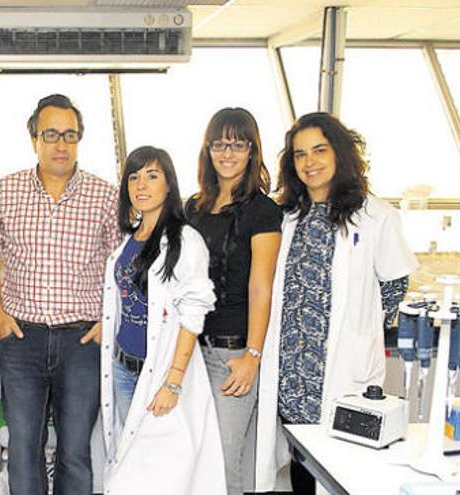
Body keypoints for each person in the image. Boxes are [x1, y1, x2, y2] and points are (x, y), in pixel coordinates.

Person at [254, 112, 418, 493]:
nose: (309, 162)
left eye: (319, 150)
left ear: (340, 154)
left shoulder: (375, 215)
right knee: (298, 466)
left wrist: (363, 333)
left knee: (340, 473)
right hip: (291, 374)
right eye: (299, 155)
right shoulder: (287, 216)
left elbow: (395, 284)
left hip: (344, 368)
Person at [0, 94, 120, 495]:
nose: (61, 144)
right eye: (51, 134)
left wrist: (104, 322)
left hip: (82, 341)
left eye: (70, 135)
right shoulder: (4, 192)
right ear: (34, 139)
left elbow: (122, 267)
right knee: (24, 448)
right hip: (22, 338)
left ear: (79, 140)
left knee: (75, 451)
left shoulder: (105, 196)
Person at [100, 146, 226, 495]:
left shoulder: (185, 241)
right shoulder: (130, 238)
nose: (141, 184)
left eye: (152, 176)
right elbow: (125, 299)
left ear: (169, 184)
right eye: (134, 176)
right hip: (124, 370)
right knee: (129, 464)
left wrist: (173, 383)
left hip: (159, 374)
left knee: (162, 473)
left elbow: (193, 316)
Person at [184, 108, 282, 495]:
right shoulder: (194, 207)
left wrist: (252, 356)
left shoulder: (263, 211)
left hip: (233, 355)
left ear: (252, 150)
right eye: (219, 144)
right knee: (195, 457)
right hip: (191, 352)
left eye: (237, 144)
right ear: (207, 149)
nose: (227, 153)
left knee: (226, 461)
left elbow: (262, 287)